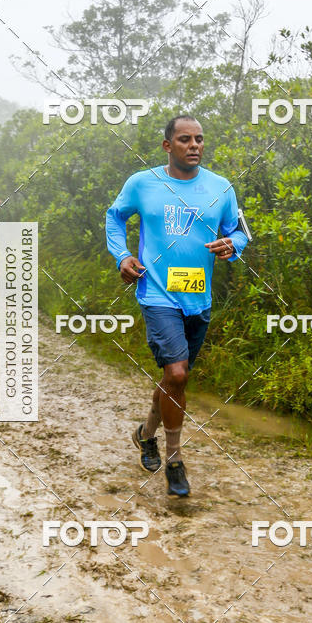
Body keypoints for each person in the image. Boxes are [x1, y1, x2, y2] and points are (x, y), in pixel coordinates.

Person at [105, 115, 248, 497]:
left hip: (198, 297)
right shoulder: (142, 183)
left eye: (199, 139)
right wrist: (122, 256)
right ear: (168, 146)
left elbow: (239, 230)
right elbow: (114, 217)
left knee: (174, 379)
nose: (195, 145)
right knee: (179, 375)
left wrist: (233, 246)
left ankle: (145, 435)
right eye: (185, 139)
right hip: (156, 294)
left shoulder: (221, 188)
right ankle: (175, 460)